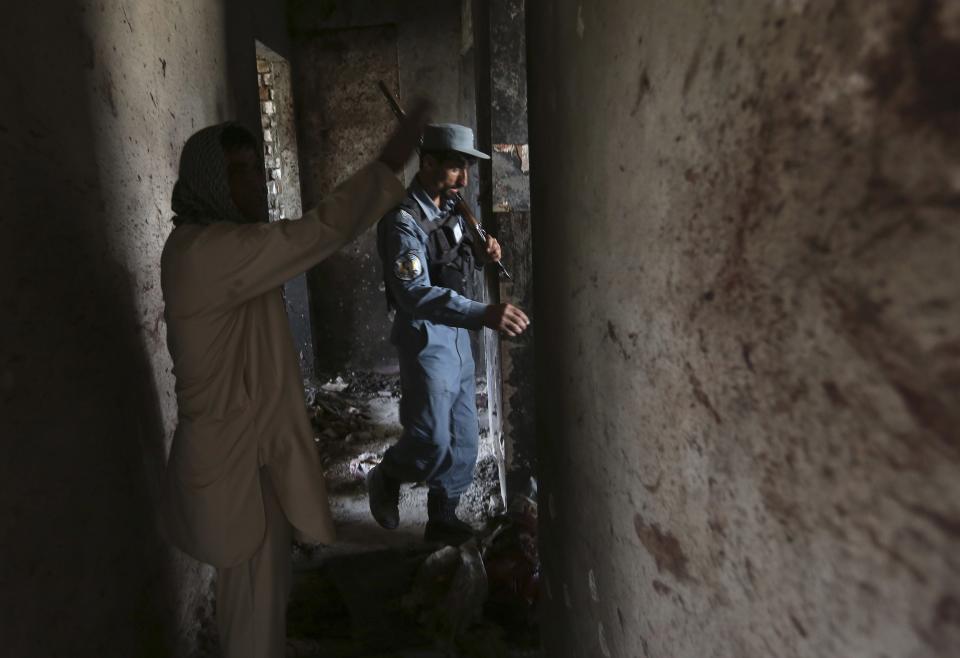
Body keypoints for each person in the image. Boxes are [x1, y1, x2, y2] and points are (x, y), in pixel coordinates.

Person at [159, 101, 430, 658]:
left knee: (264, 590)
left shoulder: (218, 247)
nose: (256, 184)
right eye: (240, 173)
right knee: (251, 603)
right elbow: (314, 234)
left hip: (249, 452)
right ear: (210, 182)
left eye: (258, 170)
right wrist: (386, 164)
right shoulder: (205, 252)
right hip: (234, 462)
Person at [368, 123, 529, 546]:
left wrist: (482, 252)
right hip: (427, 335)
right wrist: (485, 313)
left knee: (462, 438)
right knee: (430, 442)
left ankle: (443, 516)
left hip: (459, 331)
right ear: (429, 163)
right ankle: (387, 475)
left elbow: (456, 262)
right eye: (457, 167)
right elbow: (414, 294)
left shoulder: (454, 208)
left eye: (467, 168)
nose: (464, 177)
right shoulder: (402, 221)